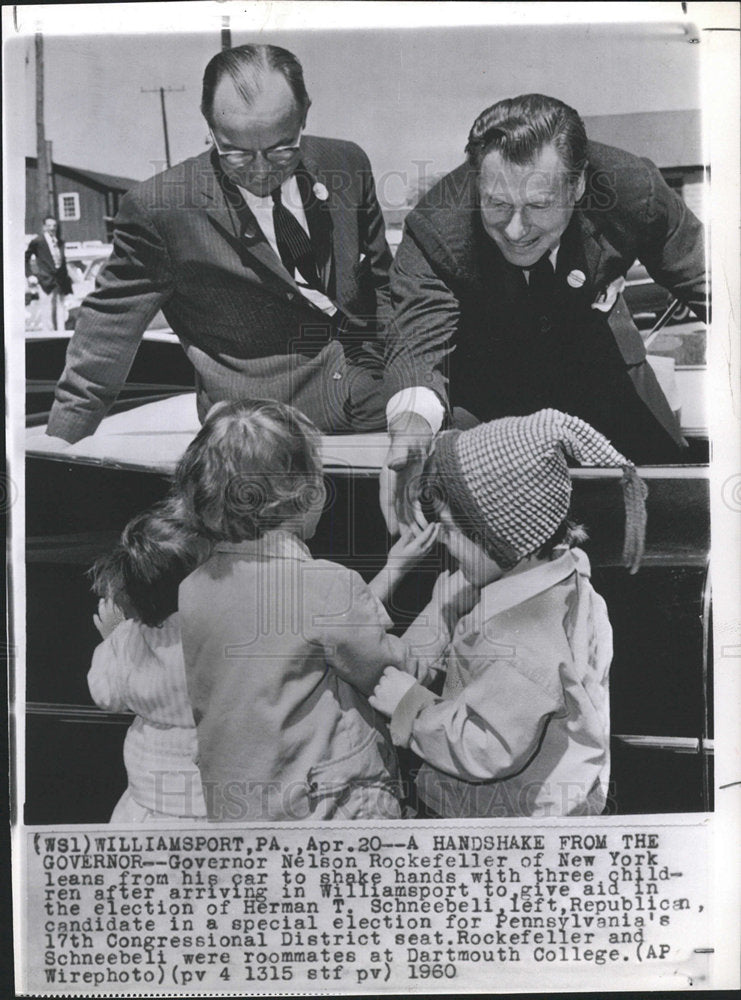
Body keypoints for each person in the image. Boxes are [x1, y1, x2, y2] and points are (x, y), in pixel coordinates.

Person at [383, 94, 707, 527]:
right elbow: (418, 346)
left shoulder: (634, 190)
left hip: (605, 371)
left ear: (577, 187)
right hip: (492, 396)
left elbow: (712, 284)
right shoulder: (436, 227)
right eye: (497, 205)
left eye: (537, 206)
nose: (515, 230)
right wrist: (411, 428)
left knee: (674, 512)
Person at [46, 43, 392, 445]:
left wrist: (412, 391)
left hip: (379, 405)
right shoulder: (161, 209)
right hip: (260, 442)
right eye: (236, 153)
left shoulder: (345, 162)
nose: (262, 170)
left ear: (304, 113)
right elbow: (107, 333)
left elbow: (385, 287)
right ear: (209, 127)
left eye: (282, 148)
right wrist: (56, 452)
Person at [370, 408, 649, 818]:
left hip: (503, 823)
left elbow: (486, 748)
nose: (443, 541)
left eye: (451, 529)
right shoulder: (565, 584)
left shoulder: (520, 635)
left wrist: (408, 705)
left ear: (501, 536)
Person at [175, 399, 415, 823]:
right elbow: (385, 670)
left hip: (238, 813)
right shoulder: (327, 585)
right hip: (328, 813)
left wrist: (390, 572)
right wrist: (443, 614)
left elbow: (289, 634)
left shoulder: (193, 589)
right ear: (313, 494)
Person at [87, 498, 209, 822]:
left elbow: (106, 695)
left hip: (144, 805)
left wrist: (112, 639)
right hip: (207, 804)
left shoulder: (128, 638)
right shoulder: (220, 636)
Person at [25, 216, 73, 332]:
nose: (52, 228)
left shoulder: (60, 242)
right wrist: (30, 274)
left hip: (60, 281)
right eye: (49, 225)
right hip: (45, 280)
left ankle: (61, 335)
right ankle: (48, 336)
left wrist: (67, 280)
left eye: (54, 226)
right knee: (47, 309)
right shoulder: (38, 241)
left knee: (61, 309)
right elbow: (25, 258)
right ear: (44, 227)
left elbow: (63, 261)